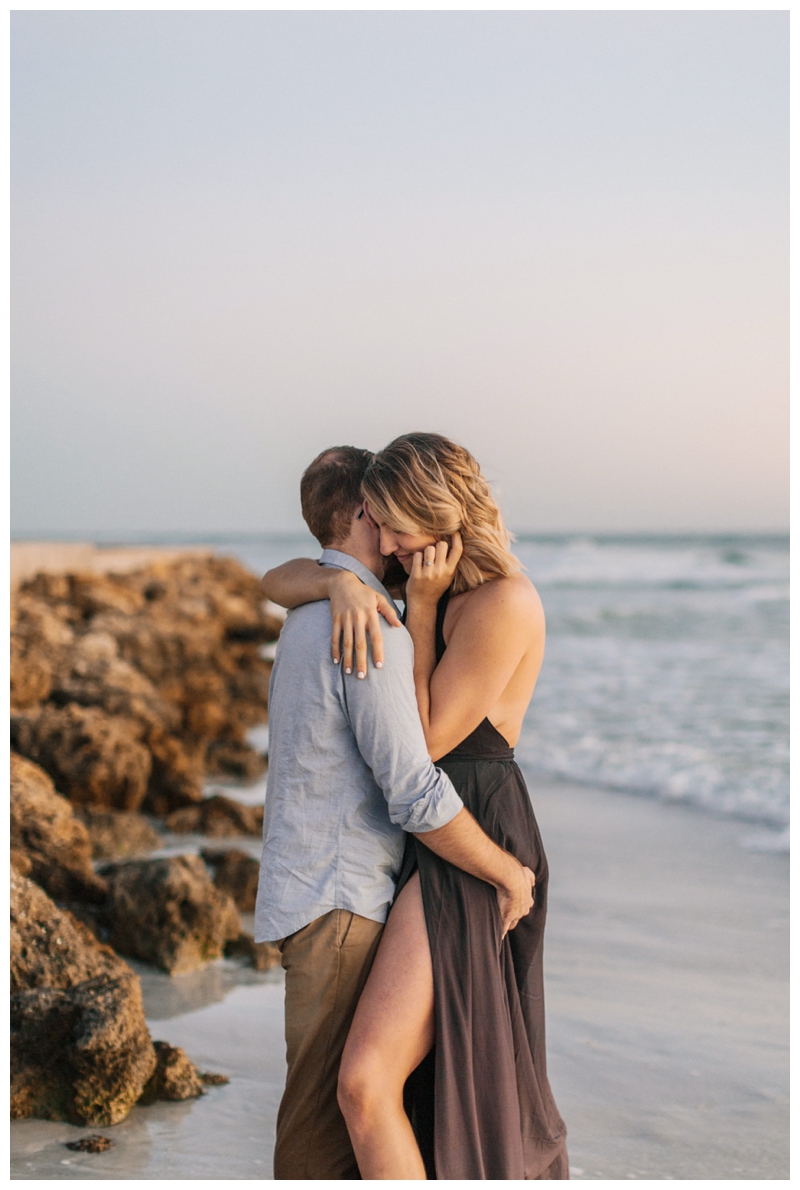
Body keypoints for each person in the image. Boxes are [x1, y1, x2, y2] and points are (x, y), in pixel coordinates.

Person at [263, 433, 569, 1180]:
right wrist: (341, 584)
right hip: (429, 830)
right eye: (380, 523)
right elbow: (274, 580)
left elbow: (425, 740)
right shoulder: (408, 590)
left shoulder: (500, 601)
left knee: (368, 1080)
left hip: (471, 830)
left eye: (398, 523)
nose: (391, 544)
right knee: (396, 1086)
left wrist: (420, 605)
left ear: (442, 513)